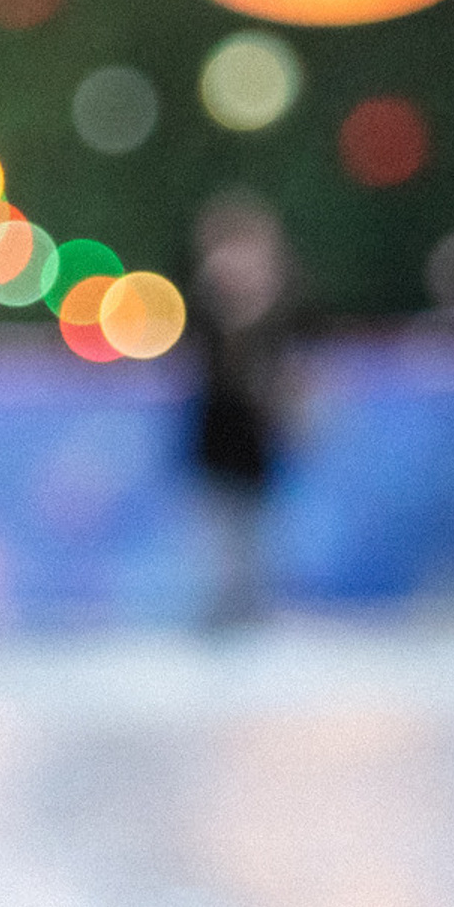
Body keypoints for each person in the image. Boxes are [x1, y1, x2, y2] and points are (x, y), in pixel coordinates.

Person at [186, 193, 295, 629]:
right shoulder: (209, 316)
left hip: (259, 462)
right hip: (215, 458)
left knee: (256, 564)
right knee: (222, 568)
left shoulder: (279, 318)